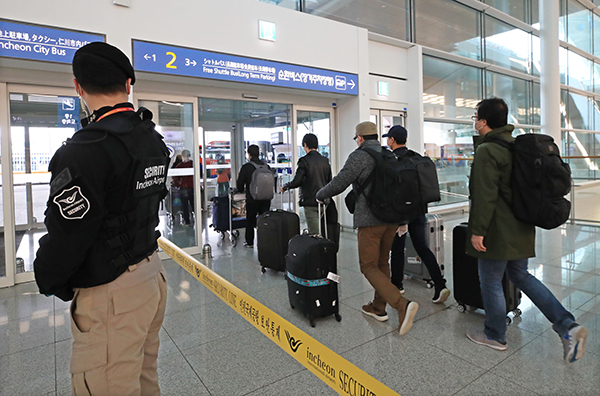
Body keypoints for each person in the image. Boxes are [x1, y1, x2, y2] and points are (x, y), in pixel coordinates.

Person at [33, 42, 170, 395]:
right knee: (143, 378)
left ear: (78, 87)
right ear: (128, 84)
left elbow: (68, 234)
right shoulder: (151, 139)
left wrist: (49, 278)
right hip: (150, 276)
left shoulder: (83, 151)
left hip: (112, 293)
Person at [466, 97, 587, 363]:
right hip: (521, 225)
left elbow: (485, 196)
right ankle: (567, 326)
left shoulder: (488, 151)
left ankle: (495, 335)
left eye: (475, 117)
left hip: (497, 229)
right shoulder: (515, 145)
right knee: (521, 276)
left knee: (490, 281)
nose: (474, 122)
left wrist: (477, 230)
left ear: (484, 121)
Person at [316, 121, 418, 335]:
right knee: (382, 262)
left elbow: (340, 182)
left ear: (360, 138)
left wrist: (320, 194)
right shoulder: (387, 154)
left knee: (368, 265)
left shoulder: (359, 156)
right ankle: (378, 307)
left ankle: (401, 304)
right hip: (392, 219)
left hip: (371, 221)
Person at [384, 125, 451, 304]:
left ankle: (397, 285)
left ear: (392, 140)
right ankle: (440, 284)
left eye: (388, 139)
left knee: (397, 249)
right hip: (420, 211)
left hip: (402, 214)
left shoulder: (394, 160)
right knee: (422, 247)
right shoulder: (416, 157)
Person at [281, 133, 334, 234]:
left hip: (311, 202)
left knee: (315, 233)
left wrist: (285, 186)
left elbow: (297, 181)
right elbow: (329, 181)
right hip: (324, 201)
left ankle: (317, 248)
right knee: (318, 229)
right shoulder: (325, 161)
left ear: (305, 145)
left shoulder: (304, 161)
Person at [236, 144, 272, 248]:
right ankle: (265, 241)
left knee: (250, 220)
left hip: (252, 198)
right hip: (266, 198)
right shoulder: (266, 166)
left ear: (249, 154)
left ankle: (250, 242)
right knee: (264, 220)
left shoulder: (246, 167)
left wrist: (241, 190)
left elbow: (240, 185)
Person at [174, 149, 194, 226]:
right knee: (193, 204)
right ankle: (196, 219)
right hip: (191, 187)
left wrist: (178, 184)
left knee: (184, 206)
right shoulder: (193, 164)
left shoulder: (180, 166)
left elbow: (175, 177)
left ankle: (187, 221)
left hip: (184, 187)